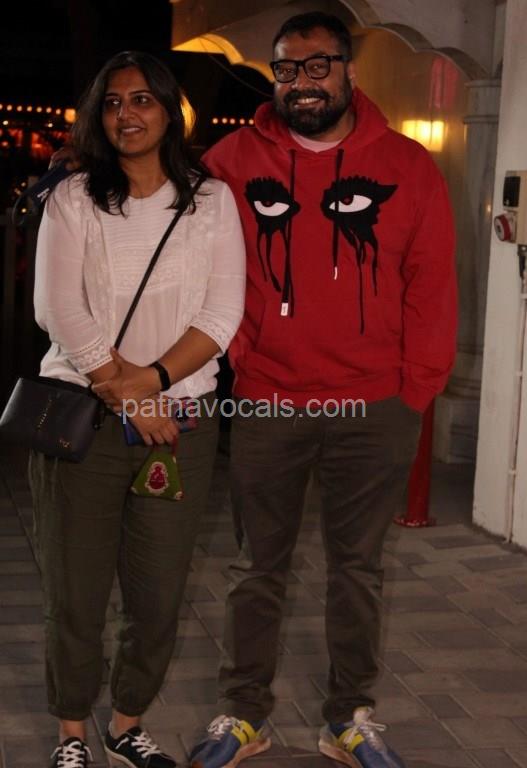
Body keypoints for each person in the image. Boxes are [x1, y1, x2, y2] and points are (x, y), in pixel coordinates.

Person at [188, 11, 457, 768]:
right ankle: (245, 713)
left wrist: (415, 390)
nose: (302, 82)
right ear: (273, 77)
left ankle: (349, 717)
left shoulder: (407, 166)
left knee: (358, 570)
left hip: (374, 407)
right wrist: (242, 356)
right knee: (255, 569)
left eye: (317, 66)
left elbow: (431, 285)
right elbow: (199, 269)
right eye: (286, 69)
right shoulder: (230, 162)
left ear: (347, 71)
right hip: (268, 400)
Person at [29, 50, 245, 768]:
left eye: (143, 99)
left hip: (178, 424)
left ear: (170, 111)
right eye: (114, 102)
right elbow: (58, 308)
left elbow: (220, 315)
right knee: (77, 593)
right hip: (84, 425)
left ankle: (126, 723)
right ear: (98, 115)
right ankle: (71, 733)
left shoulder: (212, 202)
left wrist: (149, 385)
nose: (127, 114)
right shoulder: (73, 198)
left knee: (157, 593)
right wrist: (125, 395)